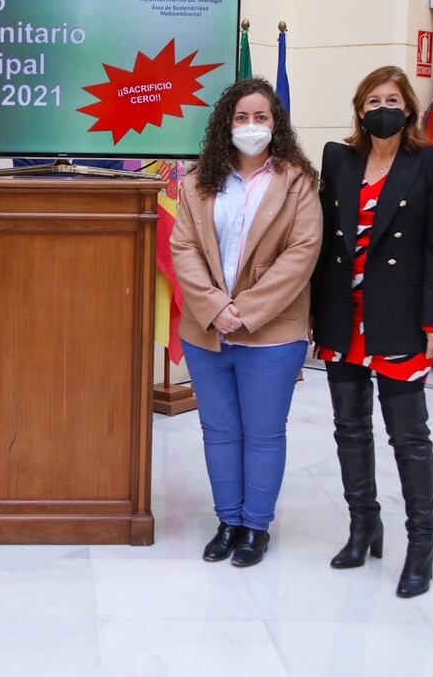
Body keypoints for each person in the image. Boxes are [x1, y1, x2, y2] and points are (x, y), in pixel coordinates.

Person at [311, 65, 433, 598]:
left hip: (398, 318)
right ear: (359, 109)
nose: (381, 108)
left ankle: (422, 543)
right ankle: (362, 525)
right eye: (372, 100)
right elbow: (324, 240)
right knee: (349, 428)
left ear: (409, 108)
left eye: (391, 98)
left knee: (409, 436)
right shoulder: (339, 159)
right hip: (342, 319)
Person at [170, 77, 321, 568]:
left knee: (263, 432)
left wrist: (247, 311)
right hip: (206, 330)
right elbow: (184, 249)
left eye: (261, 117)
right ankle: (228, 520)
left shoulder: (298, 181)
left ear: (275, 124)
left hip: (272, 333)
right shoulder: (197, 182)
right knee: (219, 431)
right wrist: (217, 308)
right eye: (241, 117)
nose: (251, 126)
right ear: (225, 125)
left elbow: (302, 253)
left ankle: (256, 526)